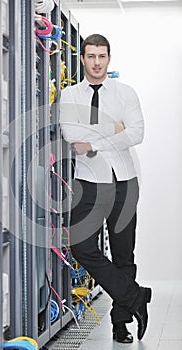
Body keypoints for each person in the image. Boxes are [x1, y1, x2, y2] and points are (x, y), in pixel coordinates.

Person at [60, 34, 152, 343]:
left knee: (124, 252)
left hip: (124, 180)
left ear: (109, 58)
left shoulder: (126, 93)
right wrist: (114, 128)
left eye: (102, 56)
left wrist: (95, 137)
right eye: (91, 56)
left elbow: (136, 134)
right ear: (82, 59)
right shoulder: (70, 95)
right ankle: (135, 296)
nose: (96, 62)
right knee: (81, 247)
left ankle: (120, 324)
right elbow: (72, 136)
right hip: (88, 183)